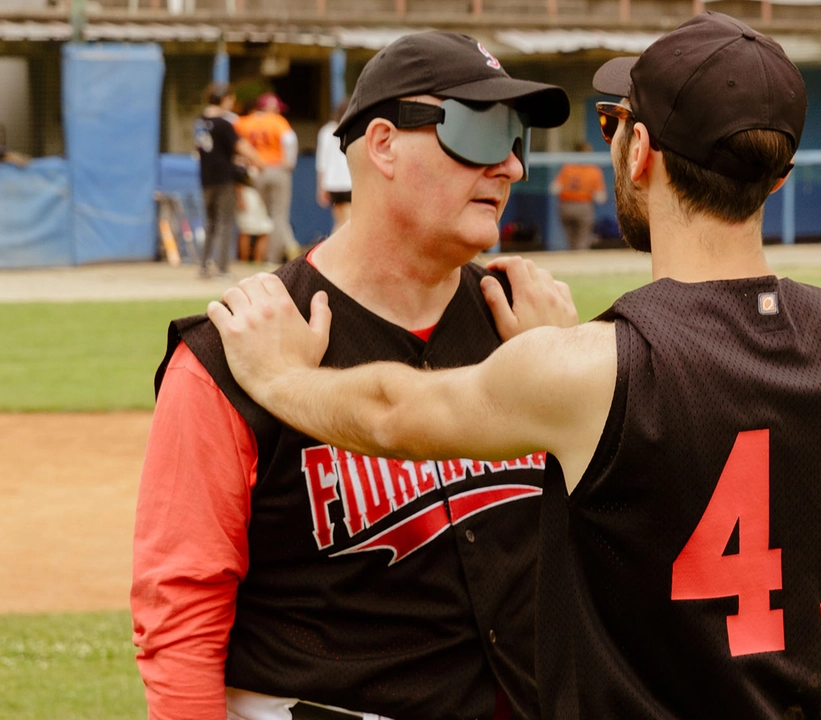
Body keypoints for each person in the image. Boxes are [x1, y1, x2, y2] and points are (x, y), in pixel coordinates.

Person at [206, 12, 821, 719]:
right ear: (777, 179)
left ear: (640, 152)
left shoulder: (598, 370)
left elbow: (395, 414)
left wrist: (280, 379)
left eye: (614, 125)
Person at [131, 31, 573, 720]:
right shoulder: (236, 349)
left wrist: (570, 380)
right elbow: (180, 620)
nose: (512, 166)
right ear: (386, 144)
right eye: (482, 130)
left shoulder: (534, 330)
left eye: (517, 137)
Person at [193, 82, 265, 279]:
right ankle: (222, 268)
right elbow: (241, 146)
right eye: (230, 99)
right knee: (225, 222)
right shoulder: (224, 123)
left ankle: (204, 266)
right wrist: (260, 161)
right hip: (223, 178)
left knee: (211, 223)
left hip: (205, 178)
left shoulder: (200, 121)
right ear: (223, 99)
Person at [235, 92, 300, 264]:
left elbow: (235, 145)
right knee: (278, 216)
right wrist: (289, 162)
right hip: (276, 168)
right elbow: (290, 141)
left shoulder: (243, 122)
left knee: (262, 217)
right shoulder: (277, 121)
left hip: (253, 172)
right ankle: (273, 258)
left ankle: (283, 248)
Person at [549, 141, 607, 250]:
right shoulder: (593, 170)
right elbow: (600, 198)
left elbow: (554, 189)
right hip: (583, 206)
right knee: (582, 240)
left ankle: (572, 259)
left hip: (565, 206)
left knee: (571, 240)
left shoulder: (568, 167)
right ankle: (580, 260)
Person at [317, 99, 353, 233]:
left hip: (332, 183)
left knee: (339, 222)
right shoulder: (353, 128)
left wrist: (321, 187)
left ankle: (331, 248)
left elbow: (322, 162)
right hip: (350, 181)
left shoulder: (327, 131)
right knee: (349, 223)